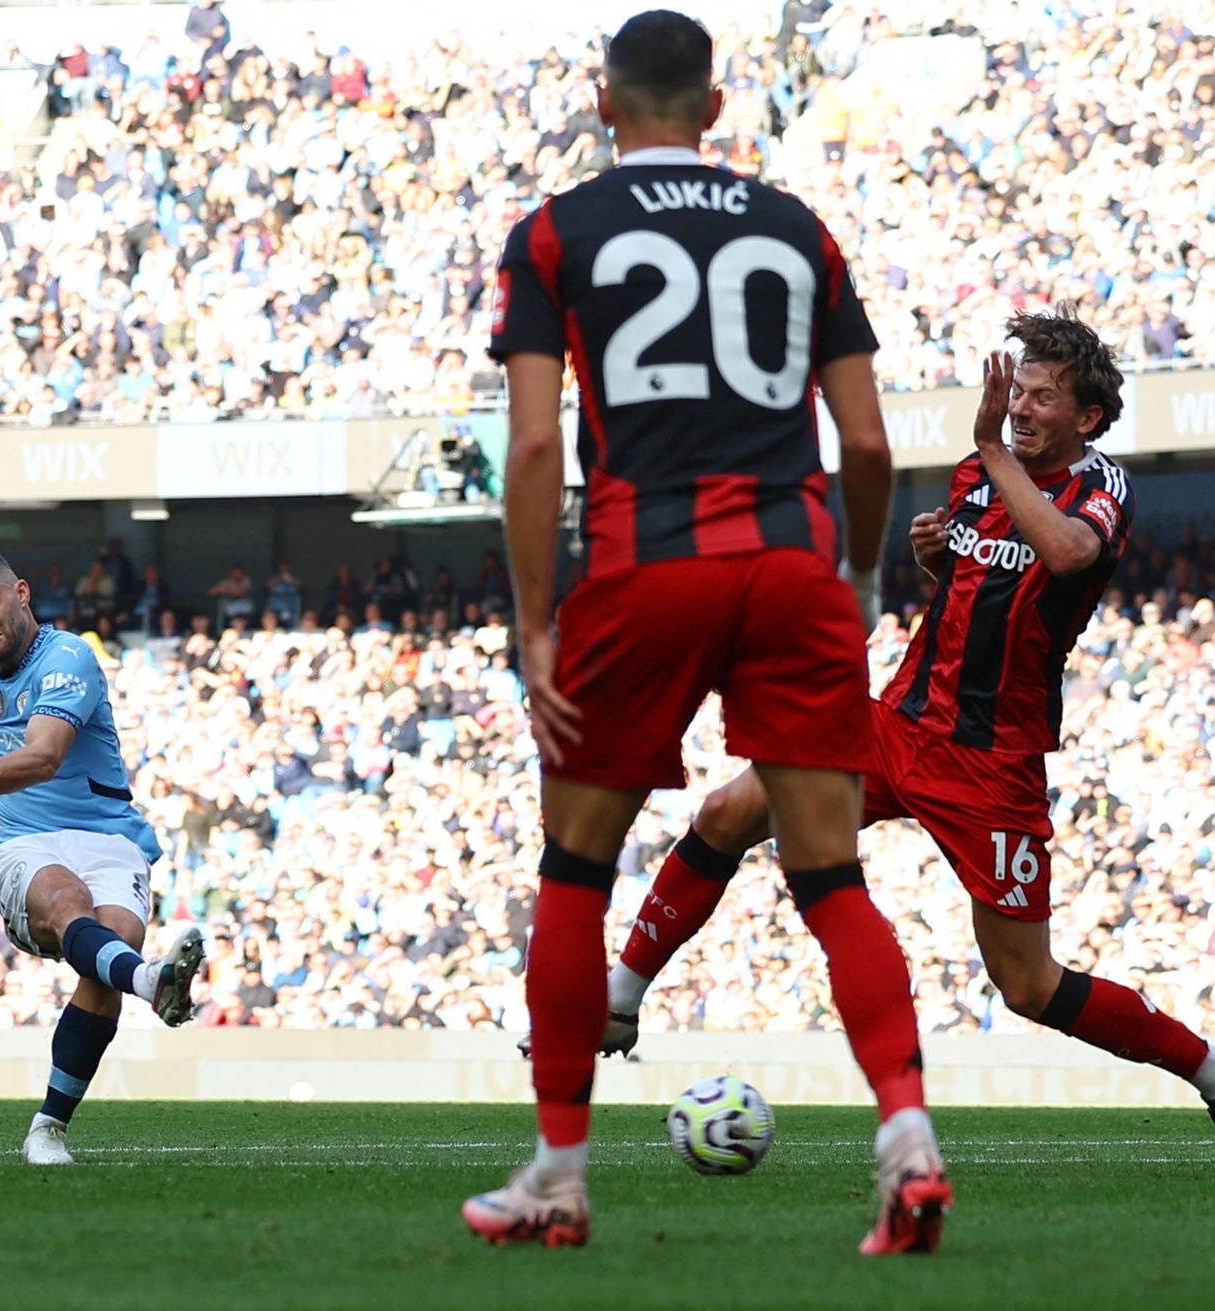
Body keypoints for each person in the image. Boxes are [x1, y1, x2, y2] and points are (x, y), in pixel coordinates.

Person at [461, 10, 947, 1254]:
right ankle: (908, 1141)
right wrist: (854, 578)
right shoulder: (796, 230)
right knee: (831, 877)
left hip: (643, 564)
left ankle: (559, 1175)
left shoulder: (556, 232)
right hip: (791, 563)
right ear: (715, 109)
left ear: (603, 104)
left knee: (575, 871)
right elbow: (874, 446)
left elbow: (527, 444)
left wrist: (531, 625)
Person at [588, 308, 1215, 1178]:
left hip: (990, 761)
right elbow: (978, 584)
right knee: (727, 811)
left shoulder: (1101, 485)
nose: (1020, 408)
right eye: (1015, 391)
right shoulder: (976, 477)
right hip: (894, 722)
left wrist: (992, 451)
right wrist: (932, 553)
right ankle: (619, 997)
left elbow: (1065, 554)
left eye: (1042, 398)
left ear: (1088, 419)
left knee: (1026, 985)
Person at [0, 551, 206, 1165]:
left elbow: (43, 758)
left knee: (111, 943)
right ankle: (150, 980)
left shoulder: (67, 658)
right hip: (28, 845)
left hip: (109, 838)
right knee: (71, 904)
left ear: (23, 593)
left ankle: (47, 1129)